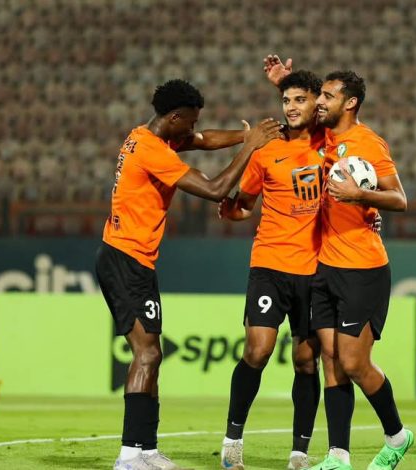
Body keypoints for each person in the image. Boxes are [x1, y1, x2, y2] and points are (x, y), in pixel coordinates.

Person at [95, 79, 281, 470]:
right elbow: (215, 189)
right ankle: (128, 456)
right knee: (146, 353)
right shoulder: (153, 151)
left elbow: (204, 139)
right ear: (175, 117)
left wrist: (244, 135)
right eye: (191, 121)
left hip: (135, 259)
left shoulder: (149, 135)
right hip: (124, 259)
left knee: (152, 353)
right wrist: (249, 148)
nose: (194, 128)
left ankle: (146, 450)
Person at [265, 59, 413, 470]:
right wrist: (283, 82)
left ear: (350, 103)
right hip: (325, 267)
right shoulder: (325, 136)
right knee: (330, 360)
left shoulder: (369, 143)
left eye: (328, 97)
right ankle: (338, 456)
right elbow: (297, 110)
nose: (320, 102)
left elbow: (399, 199)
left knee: (353, 362)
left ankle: (397, 435)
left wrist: (360, 196)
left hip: (363, 268)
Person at [217, 70, 325, 470]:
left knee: (305, 360)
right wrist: (233, 211)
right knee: (258, 350)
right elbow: (245, 205)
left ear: (316, 102)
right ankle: (232, 440)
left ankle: (299, 453)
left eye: (299, 99)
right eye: (286, 100)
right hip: (270, 264)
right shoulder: (266, 151)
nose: (291, 107)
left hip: (316, 269)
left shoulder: (331, 145)